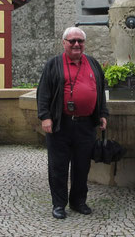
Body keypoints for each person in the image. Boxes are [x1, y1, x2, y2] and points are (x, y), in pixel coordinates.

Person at [36, 26, 109, 219]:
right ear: (64, 43)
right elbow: (43, 92)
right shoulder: (54, 64)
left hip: (86, 125)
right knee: (58, 166)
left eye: (80, 41)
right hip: (61, 124)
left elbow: (100, 90)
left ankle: (78, 202)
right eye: (72, 41)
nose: (77, 44)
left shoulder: (92, 63)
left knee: (82, 166)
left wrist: (102, 114)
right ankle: (59, 204)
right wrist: (45, 116)